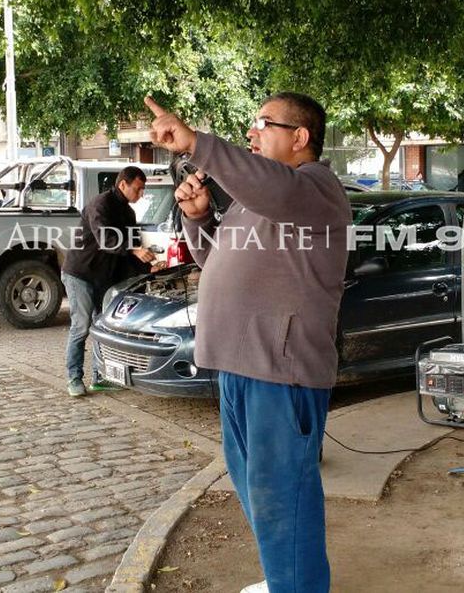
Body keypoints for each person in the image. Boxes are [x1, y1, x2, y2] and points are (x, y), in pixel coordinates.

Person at [146, 92, 350, 593]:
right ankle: (287, 580)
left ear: (300, 138)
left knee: (283, 496)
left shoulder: (315, 188)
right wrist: (198, 218)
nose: (251, 133)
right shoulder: (256, 201)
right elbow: (213, 259)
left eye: (263, 123)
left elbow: (273, 189)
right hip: (238, 366)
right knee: (258, 491)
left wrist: (195, 143)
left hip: (280, 371)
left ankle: (298, 587)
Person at [59, 166, 157, 397]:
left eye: (143, 189)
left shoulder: (129, 214)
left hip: (104, 278)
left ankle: (100, 376)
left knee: (101, 327)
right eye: (138, 188)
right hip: (80, 274)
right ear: (123, 184)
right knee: (81, 326)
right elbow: (107, 239)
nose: (141, 194)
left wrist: (150, 267)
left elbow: (133, 254)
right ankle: (74, 378)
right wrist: (135, 249)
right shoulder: (99, 204)